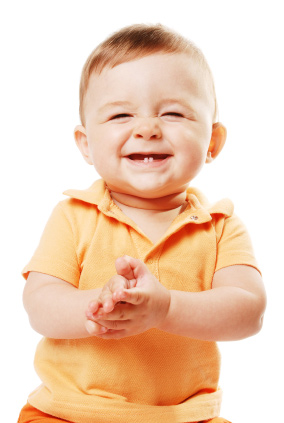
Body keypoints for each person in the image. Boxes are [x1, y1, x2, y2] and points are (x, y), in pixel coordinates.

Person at [18, 24, 266, 423]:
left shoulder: (221, 226)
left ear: (212, 143)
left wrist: (165, 308)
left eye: (172, 113)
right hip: (67, 412)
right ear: (86, 144)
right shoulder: (73, 216)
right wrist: (97, 305)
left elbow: (248, 312)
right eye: (121, 114)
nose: (147, 128)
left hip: (187, 416)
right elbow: (39, 306)